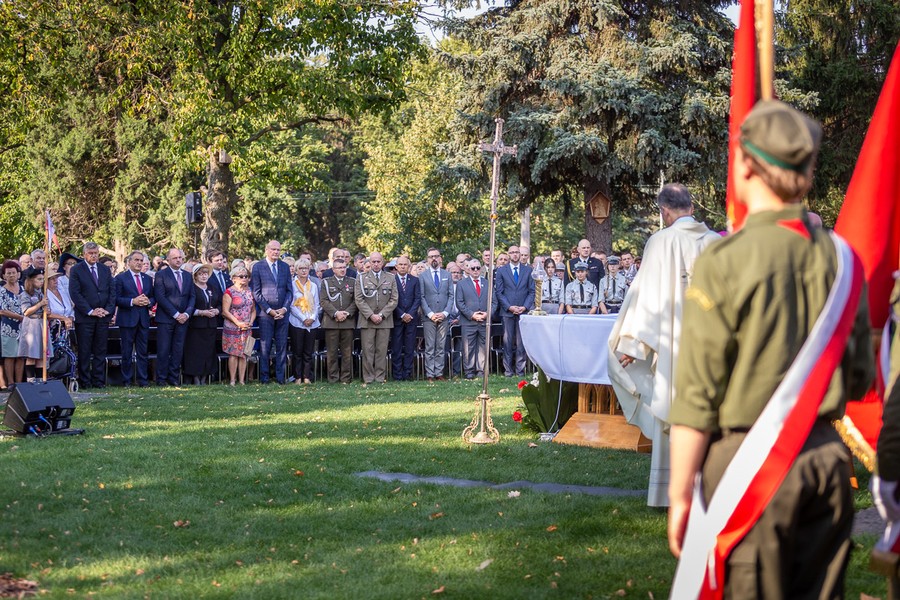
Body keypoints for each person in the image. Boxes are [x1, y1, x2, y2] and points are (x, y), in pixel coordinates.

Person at [667, 100, 874, 598]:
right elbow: (862, 377)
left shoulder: (724, 259)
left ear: (743, 166)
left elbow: (697, 396)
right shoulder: (843, 258)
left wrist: (678, 495)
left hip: (748, 466)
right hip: (827, 461)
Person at [607, 183, 719, 507]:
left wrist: (634, 345)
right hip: (709, 345)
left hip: (672, 346)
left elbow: (646, 299)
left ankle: (672, 491)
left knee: (672, 409)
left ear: (664, 211)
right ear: (693, 208)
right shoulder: (713, 243)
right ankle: (708, 489)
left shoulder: (659, 242)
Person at [69, 241, 116, 389]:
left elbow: (111, 291)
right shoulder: (77, 270)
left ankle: (99, 381)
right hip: (85, 318)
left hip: (103, 317)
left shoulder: (104, 269)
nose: (94, 256)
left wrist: (107, 310)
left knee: (100, 350)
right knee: (85, 350)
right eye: (91, 253)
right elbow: (75, 293)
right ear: (84, 255)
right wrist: (90, 310)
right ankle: (85, 381)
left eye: (96, 253)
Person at [251, 240, 293, 384]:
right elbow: (256, 293)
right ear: (266, 250)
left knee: (282, 346)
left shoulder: (285, 267)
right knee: (265, 346)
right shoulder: (258, 267)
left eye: (278, 249)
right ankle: (264, 377)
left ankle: (280, 378)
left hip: (282, 313)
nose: (276, 252)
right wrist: (269, 310)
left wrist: (284, 309)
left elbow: (289, 291)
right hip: (265, 315)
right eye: (273, 249)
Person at [153, 248, 195, 386]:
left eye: (180, 258)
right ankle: (162, 379)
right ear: (168, 260)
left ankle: (174, 379)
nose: (178, 260)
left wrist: (187, 314)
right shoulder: (161, 275)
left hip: (183, 319)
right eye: (175, 258)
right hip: (166, 319)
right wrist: (176, 314)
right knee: (164, 350)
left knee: (178, 350)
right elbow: (160, 297)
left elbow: (192, 297)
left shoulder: (188, 276)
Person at [355, 252, 398, 385]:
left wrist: (382, 315)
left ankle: (380, 377)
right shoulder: (361, 278)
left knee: (382, 350)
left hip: (384, 320)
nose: (376, 264)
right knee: (368, 350)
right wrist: (371, 315)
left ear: (383, 263)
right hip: (367, 320)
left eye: (378, 261)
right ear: (369, 263)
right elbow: (359, 299)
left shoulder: (390, 277)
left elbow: (394, 299)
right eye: (373, 261)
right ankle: (368, 377)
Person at [114, 251, 155, 387]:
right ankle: (127, 380)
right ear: (129, 262)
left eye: (141, 260)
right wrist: (133, 301)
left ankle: (143, 380)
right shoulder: (121, 278)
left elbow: (153, 297)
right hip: (127, 319)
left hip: (143, 319)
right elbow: (116, 299)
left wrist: (148, 302)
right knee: (126, 352)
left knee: (143, 352)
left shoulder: (147, 278)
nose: (139, 263)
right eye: (136, 260)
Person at [494, 245, 534, 377]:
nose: (515, 255)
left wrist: (525, 307)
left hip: (523, 311)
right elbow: (499, 292)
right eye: (512, 253)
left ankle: (520, 370)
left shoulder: (528, 270)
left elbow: (532, 291)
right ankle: (508, 370)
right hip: (507, 312)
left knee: (521, 342)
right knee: (507, 342)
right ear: (508, 255)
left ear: (520, 254)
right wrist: (509, 307)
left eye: (517, 252)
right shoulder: (501, 271)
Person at [455, 259, 497, 379]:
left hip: (484, 321)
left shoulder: (487, 283)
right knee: (468, 347)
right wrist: (472, 315)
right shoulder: (461, 284)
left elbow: (494, 302)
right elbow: (459, 303)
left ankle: (481, 371)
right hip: (468, 321)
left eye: (477, 268)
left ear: (481, 269)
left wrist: (487, 314)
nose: (475, 270)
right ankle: (469, 371)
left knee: (483, 347)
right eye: (472, 268)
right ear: (468, 269)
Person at [320, 258, 357, 383]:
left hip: (347, 321)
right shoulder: (326, 282)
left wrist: (346, 313)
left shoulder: (352, 281)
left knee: (347, 352)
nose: (342, 270)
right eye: (339, 268)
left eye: (344, 267)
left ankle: (346, 378)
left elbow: (356, 301)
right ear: (333, 269)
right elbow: (324, 301)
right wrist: (336, 313)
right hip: (331, 322)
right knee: (332, 353)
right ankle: (333, 378)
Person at [419, 248, 453, 382]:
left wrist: (445, 313)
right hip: (429, 317)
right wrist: (431, 314)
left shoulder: (447, 275)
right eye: (431, 256)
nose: (434, 259)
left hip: (444, 316)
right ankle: (429, 374)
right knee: (430, 346)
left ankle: (439, 372)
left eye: (436, 256)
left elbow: (451, 296)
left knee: (440, 346)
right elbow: (421, 297)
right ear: (427, 259)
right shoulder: (423, 276)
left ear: (440, 258)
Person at [183, 264, 221, 384]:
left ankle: (205, 377)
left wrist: (217, 310)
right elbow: (187, 306)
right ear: (195, 276)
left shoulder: (213, 288)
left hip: (210, 325)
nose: (204, 276)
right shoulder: (192, 288)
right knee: (195, 352)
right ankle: (195, 377)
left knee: (208, 352)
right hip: (196, 326)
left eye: (205, 273)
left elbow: (220, 303)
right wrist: (201, 312)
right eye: (200, 274)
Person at [221, 265, 255, 385]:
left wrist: (251, 322)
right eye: (241, 276)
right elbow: (225, 311)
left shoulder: (250, 291)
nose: (244, 278)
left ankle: (242, 380)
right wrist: (238, 323)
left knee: (245, 354)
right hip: (233, 328)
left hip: (247, 327)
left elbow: (253, 309)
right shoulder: (229, 292)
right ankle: (232, 380)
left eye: (246, 276)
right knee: (234, 354)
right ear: (233, 278)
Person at [288, 258, 321, 385]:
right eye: (301, 269)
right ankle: (297, 377)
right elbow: (291, 305)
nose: (303, 271)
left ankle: (306, 376)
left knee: (308, 351)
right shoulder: (292, 284)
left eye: (306, 268)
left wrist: (312, 318)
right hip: (297, 322)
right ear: (296, 271)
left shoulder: (313, 285)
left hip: (312, 322)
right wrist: (303, 319)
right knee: (297, 352)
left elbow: (317, 304)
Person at [391, 256, 420, 381]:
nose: (403, 266)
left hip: (411, 319)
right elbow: (391, 300)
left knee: (409, 347)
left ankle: (407, 374)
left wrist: (410, 314)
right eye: (400, 264)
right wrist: (402, 314)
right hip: (397, 318)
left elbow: (417, 298)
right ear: (396, 266)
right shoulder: (391, 280)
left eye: (405, 264)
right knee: (396, 348)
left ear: (409, 266)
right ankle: (397, 375)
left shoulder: (415, 280)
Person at [17, 267, 47, 380]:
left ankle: (40, 380)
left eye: (42, 279)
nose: (42, 281)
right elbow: (26, 311)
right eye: (39, 279)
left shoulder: (41, 293)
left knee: (40, 355)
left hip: (41, 323)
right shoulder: (25, 294)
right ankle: (30, 380)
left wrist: (46, 309)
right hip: (31, 325)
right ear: (31, 280)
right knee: (32, 355)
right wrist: (40, 304)